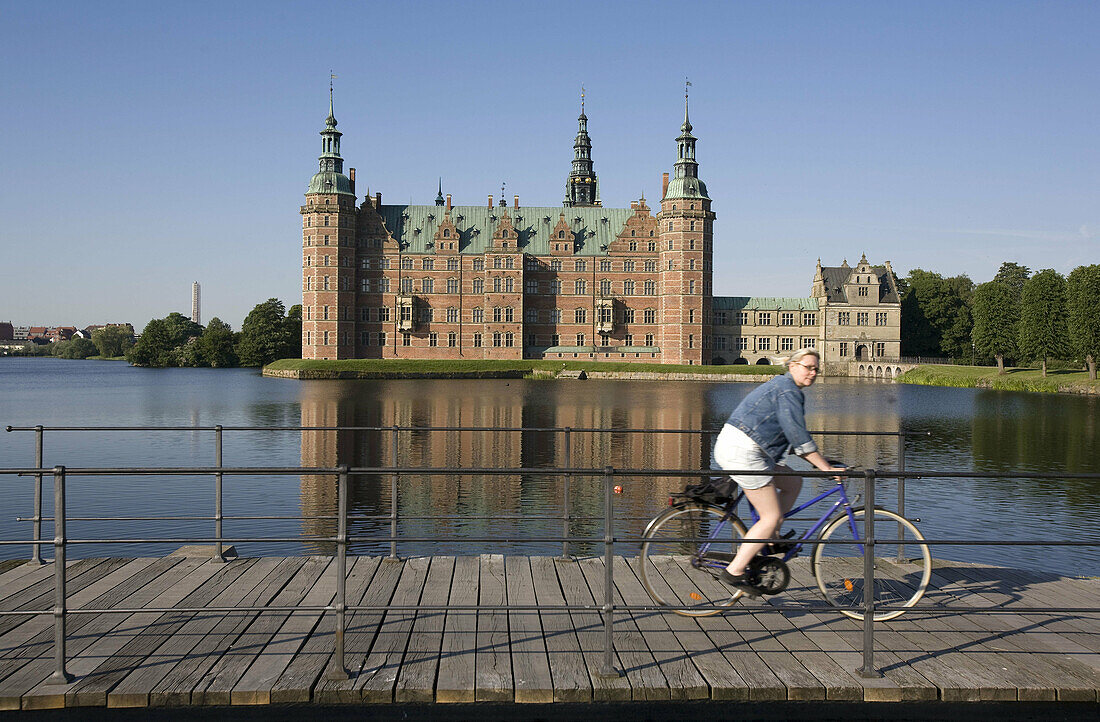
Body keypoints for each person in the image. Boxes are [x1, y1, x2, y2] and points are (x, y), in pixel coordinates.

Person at [710, 348, 843, 595]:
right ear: (793, 366)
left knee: (793, 482)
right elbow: (797, 434)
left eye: (816, 369)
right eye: (808, 367)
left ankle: (771, 538)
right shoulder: (788, 389)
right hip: (743, 452)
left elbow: (785, 436)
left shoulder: (786, 387)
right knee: (769, 516)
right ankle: (735, 570)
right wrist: (824, 466)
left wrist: (819, 459)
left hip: (749, 448)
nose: (812, 373)